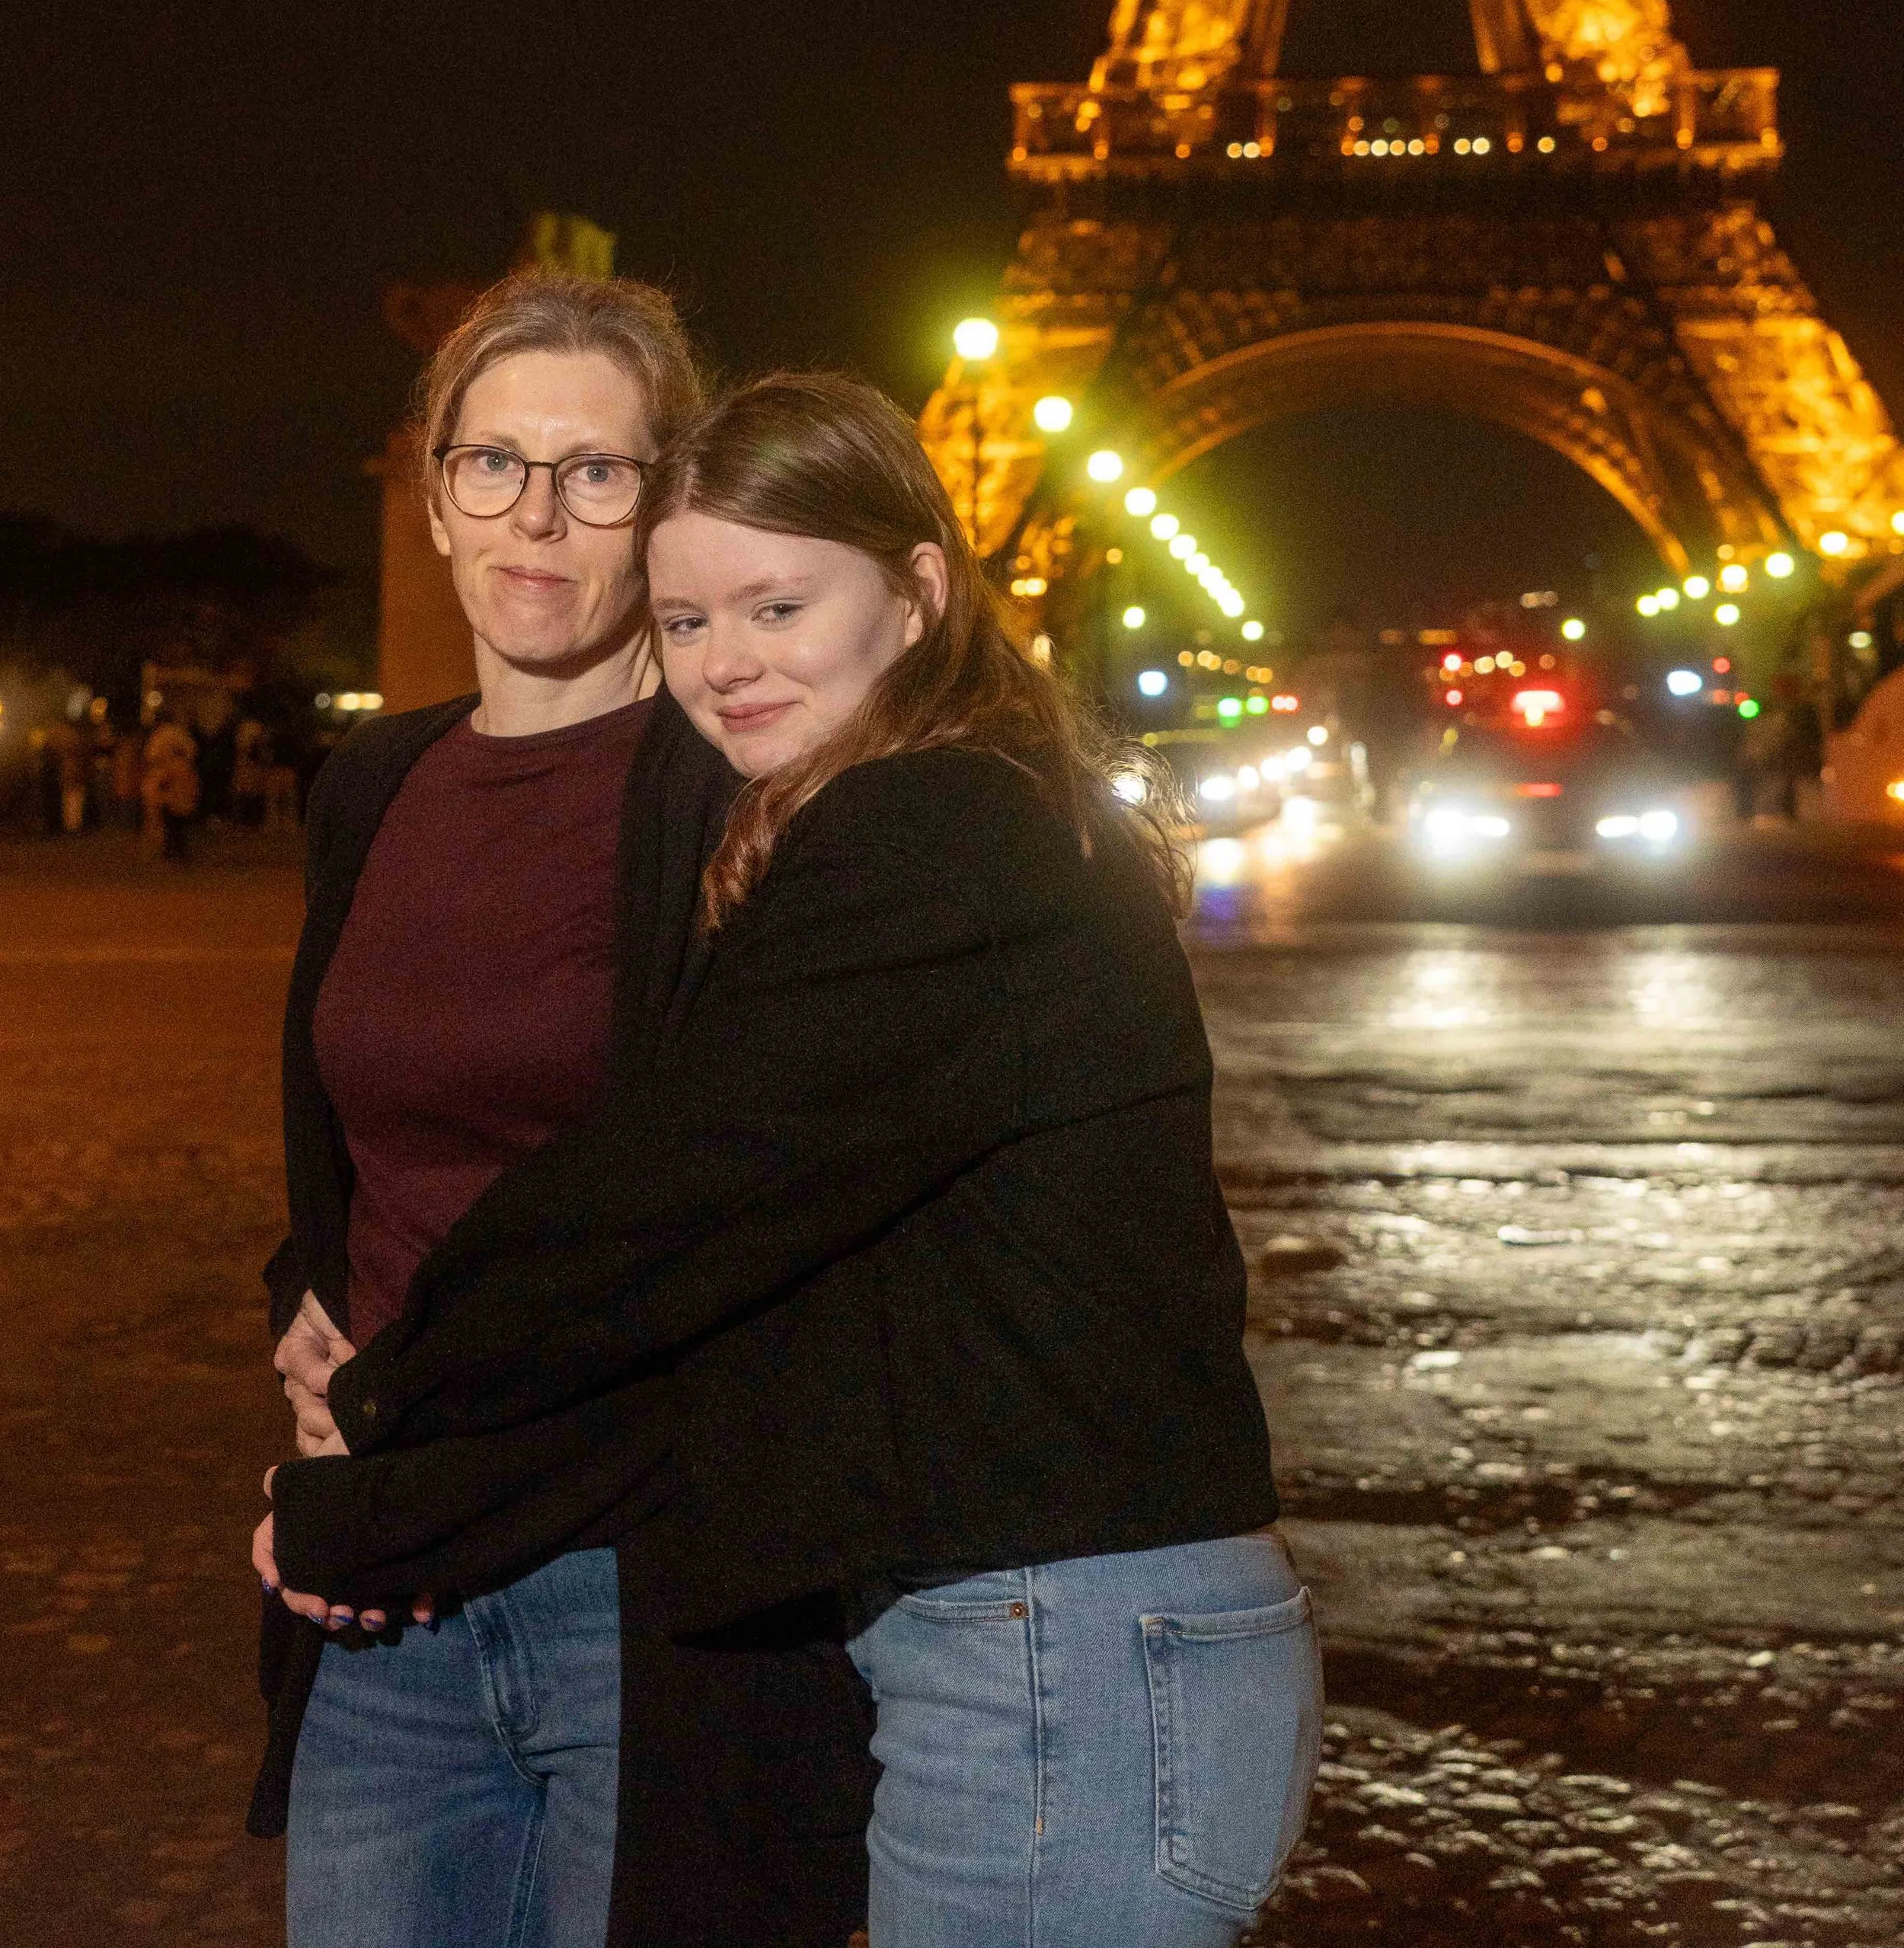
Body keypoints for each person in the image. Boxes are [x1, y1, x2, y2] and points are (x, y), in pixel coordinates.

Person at [270, 371, 1321, 1948]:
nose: (724, 664)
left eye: (774, 605)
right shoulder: (963, 809)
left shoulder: (938, 833)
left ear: (915, 591)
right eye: (685, 625)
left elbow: (667, 1204)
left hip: (1052, 1644)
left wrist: (369, 1434)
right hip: (1037, 1636)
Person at [250, 279, 875, 1948]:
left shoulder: (736, 800)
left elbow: (726, 1223)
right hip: (386, 1594)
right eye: (493, 464)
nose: (536, 514)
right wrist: (303, 1327)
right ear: (434, 491)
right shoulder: (373, 786)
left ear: (663, 510)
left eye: (595, 475)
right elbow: (359, 1162)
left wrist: (400, 1408)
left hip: (641, 1592)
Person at [142, 709, 200, 860]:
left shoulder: (159, 735)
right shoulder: (180, 734)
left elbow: (150, 756)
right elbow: (192, 751)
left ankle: (171, 849)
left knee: (167, 818)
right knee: (179, 819)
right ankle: (178, 849)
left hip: (166, 780)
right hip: (180, 780)